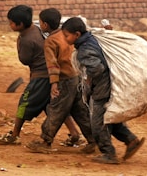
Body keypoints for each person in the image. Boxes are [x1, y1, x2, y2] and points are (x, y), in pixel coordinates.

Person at [61, 17, 145, 164]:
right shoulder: (93, 38)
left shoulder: (84, 50)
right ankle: (131, 140)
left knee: (97, 122)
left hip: (102, 89)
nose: (65, 38)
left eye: (67, 35)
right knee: (109, 117)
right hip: (112, 85)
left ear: (77, 34)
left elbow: (97, 68)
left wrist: (88, 78)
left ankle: (108, 153)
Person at [0, 5, 82, 146]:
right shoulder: (36, 29)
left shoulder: (26, 39)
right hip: (51, 75)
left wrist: (19, 43)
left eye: (11, 22)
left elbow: (25, 60)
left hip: (41, 77)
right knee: (53, 106)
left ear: (20, 24)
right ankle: (74, 133)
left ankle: (15, 134)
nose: (9, 25)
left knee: (24, 102)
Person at [26, 8, 96, 154]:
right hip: (76, 77)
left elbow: (52, 65)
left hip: (64, 80)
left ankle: (46, 141)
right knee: (80, 111)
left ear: (44, 25)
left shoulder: (51, 41)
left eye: (40, 22)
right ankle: (93, 140)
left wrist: (54, 84)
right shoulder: (66, 34)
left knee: (56, 109)